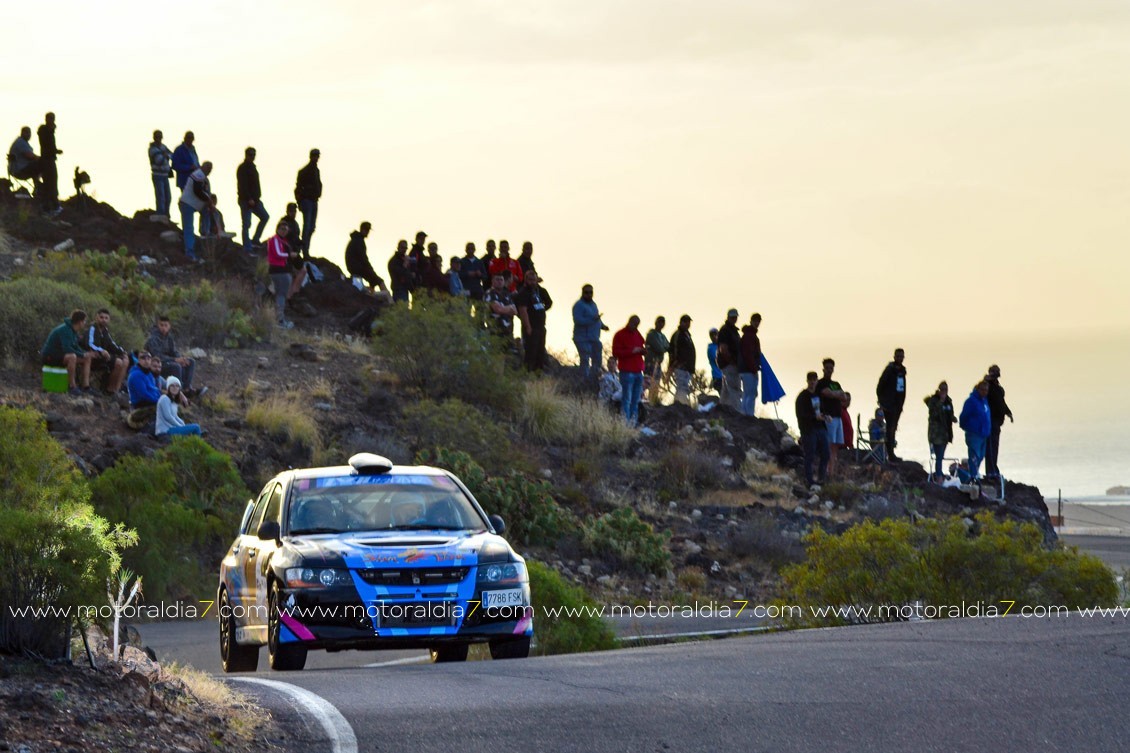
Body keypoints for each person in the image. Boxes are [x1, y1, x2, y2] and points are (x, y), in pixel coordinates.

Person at [41, 309, 92, 395]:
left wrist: (85, 354)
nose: (85, 323)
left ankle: (85, 386)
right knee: (72, 357)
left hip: (60, 356)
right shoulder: (65, 330)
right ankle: (72, 386)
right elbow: (67, 349)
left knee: (87, 358)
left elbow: (75, 346)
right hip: (49, 357)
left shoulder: (73, 331)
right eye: (84, 321)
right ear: (80, 322)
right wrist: (82, 354)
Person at [145, 315, 198, 393]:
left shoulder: (169, 338)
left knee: (191, 362)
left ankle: (187, 388)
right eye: (161, 325)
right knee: (176, 366)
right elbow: (157, 356)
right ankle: (178, 391)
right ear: (158, 325)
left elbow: (173, 351)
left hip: (169, 361)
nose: (163, 328)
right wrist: (175, 360)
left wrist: (182, 359)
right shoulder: (152, 339)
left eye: (166, 325)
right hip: (157, 364)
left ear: (169, 326)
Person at [795, 371, 829, 488]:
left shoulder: (818, 395)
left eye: (814, 380)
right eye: (811, 380)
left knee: (826, 454)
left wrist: (826, 416)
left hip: (821, 428)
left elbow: (822, 410)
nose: (813, 382)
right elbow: (801, 415)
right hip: (809, 430)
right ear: (807, 381)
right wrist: (814, 417)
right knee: (810, 455)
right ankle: (809, 480)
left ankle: (821, 478)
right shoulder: (802, 397)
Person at [816, 358, 848, 478]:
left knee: (835, 445)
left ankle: (832, 470)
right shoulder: (821, 383)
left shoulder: (835, 384)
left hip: (838, 417)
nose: (829, 370)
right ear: (823, 369)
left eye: (831, 368)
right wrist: (836, 394)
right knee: (828, 444)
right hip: (828, 417)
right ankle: (825, 470)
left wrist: (835, 394)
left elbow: (844, 397)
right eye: (827, 368)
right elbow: (826, 393)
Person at [612, 315, 646, 425]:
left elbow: (642, 344)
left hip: (638, 371)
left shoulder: (637, 334)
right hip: (626, 371)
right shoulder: (620, 334)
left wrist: (642, 351)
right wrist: (632, 351)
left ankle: (633, 422)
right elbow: (616, 353)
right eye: (634, 324)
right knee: (627, 398)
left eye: (637, 325)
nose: (635, 326)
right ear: (630, 322)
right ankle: (625, 423)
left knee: (636, 400)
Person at [514, 272, 553, 371]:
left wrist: (542, 309)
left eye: (534, 280)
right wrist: (528, 327)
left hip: (541, 326)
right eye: (530, 280)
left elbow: (549, 302)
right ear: (526, 280)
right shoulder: (523, 293)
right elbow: (522, 311)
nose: (532, 282)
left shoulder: (538, 291)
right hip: (531, 327)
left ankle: (538, 373)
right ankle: (528, 373)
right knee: (531, 353)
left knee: (540, 352)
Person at [87, 308, 129, 395]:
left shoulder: (105, 331)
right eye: (101, 317)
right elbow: (90, 344)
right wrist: (101, 350)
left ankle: (116, 390)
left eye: (106, 318)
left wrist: (122, 352)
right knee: (118, 362)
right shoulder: (92, 329)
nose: (104, 320)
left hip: (104, 357)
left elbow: (112, 344)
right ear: (96, 318)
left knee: (125, 360)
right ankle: (110, 390)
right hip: (94, 356)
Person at [876, 348, 907, 462]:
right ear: (894, 357)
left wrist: (901, 404)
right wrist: (882, 401)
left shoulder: (902, 371)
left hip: (898, 405)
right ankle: (890, 454)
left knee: (893, 428)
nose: (900, 358)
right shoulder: (889, 370)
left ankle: (891, 453)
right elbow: (880, 386)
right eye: (898, 356)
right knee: (890, 428)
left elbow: (902, 388)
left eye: (901, 356)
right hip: (889, 404)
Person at [177, 161, 212, 261]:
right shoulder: (198, 175)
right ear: (203, 167)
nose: (209, 170)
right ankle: (189, 252)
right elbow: (198, 191)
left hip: (195, 204)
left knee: (206, 213)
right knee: (189, 228)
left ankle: (205, 233)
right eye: (208, 168)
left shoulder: (204, 178)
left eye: (210, 169)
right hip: (187, 203)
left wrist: (209, 202)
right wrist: (208, 199)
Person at [237, 147, 269, 253]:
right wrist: (249, 198)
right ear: (246, 155)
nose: (252, 156)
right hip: (246, 200)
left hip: (255, 200)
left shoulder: (253, 167)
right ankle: (247, 246)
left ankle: (255, 239)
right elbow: (243, 185)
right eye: (250, 154)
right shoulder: (242, 168)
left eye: (254, 154)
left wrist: (256, 197)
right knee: (246, 224)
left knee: (265, 216)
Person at [571, 283, 607, 380]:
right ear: (583, 293)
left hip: (594, 338)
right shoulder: (578, 305)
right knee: (585, 360)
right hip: (582, 338)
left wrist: (602, 325)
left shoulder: (593, 304)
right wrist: (593, 321)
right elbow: (578, 320)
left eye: (591, 292)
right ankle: (584, 381)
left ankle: (594, 379)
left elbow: (596, 317)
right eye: (586, 292)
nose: (589, 294)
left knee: (597, 360)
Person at [984, 364, 1014, 480]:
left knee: (994, 446)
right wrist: (987, 380)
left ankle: (993, 470)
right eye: (994, 373)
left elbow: (1001, 402)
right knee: (990, 446)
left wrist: (1008, 412)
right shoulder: (987, 386)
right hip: (990, 420)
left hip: (997, 421)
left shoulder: (998, 387)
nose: (995, 375)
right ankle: (991, 471)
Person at [265, 221, 296, 328]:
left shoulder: (283, 241)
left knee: (280, 294)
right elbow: (278, 253)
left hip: (281, 270)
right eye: (282, 229)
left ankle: (278, 318)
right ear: (277, 229)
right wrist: (289, 255)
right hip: (279, 270)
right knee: (281, 295)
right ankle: (280, 320)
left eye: (286, 229)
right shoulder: (275, 240)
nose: (284, 231)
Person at [959, 381, 992, 481]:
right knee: (974, 456)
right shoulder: (971, 401)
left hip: (984, 434)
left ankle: (974, 474)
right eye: (983, 390)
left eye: (986, 390)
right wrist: (966, 427)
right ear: (978, 389)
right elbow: (963, 416)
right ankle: (972, 477)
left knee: (981, 456)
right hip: (974, 433)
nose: (985, 392)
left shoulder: (985, 401)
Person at [925, 381, 956, 481]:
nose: (944, 391)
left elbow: (949, 414)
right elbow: (933, 414)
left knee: (941, 456)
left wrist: (953, 418)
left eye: (945, 389)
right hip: (935, 433)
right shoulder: (934, 401)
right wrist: (940, 401)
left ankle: (939, 472)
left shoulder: (948, 401)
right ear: (938, 390)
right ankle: (938, 475)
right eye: (942, 389)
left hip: (945, 433)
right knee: (938, 455)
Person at [345, 222, 387, 294]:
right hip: (357, 268)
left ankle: (372, 295)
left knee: (372, 280)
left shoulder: (355, 239)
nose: (367, 232)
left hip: (354, 268)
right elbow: (363, 258)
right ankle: (390, 302)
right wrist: (371, 270)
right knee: (379, 281)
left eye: (368, 230)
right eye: (366, 230)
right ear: (362, 229)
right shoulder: (359, 241)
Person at [294, 148, 321, 256]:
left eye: (317, 156)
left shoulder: (316, 171)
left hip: (314, 201)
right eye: (315, 155)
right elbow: (298, 188)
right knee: (307, 226)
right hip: (307, 201)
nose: (316, 158)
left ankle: (305, 248)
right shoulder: (304, 171)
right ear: (311, 156)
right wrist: (300, 201)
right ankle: (304, 250)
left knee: (311, 226)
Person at [126, 351, 162, 429]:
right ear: (138, 360)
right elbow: (143, 395)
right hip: (140, 406)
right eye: (143, 358)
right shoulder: (136, 375)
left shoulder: (149, 374)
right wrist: (159, 401)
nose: (146, 360)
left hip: (151, 402)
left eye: (148, 358)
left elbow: (155, 390)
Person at [716, 308, 743, 410]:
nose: (734, 319)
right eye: (732, 317)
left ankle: (722, 410)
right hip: (729, 364)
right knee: (735, 389)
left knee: (726, 391)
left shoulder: (733, 331)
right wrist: (732, 361)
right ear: (728, 317)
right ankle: (737, 411)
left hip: (730, 364)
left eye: (735, 317)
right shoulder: (725, 330)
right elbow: (723, 349)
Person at [36, 113, 63, 214]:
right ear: (46, 119)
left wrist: (56, 151)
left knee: (51, 181)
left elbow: (50, 146)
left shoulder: (47, 131)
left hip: (49, 159)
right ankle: (52, 206)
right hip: (47, 160)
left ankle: (50, 205)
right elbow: (47, 145)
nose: (52, 120)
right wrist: (55, 151)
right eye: (50, 118)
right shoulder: (44, 129)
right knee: (50, 182)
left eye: (53, 118)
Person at [668, 314, 696, 406]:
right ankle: (680, 405)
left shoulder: (687, 335)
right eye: (686, 322)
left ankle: (682, 404)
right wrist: (674, 363)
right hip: (680, 366)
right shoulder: (678, 334)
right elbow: (673, 350)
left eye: (689, 322)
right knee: (681, 386)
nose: (688, 324)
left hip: (688, 367)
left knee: (685, 387)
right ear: (681, 322)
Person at [738, 313, 762, 416]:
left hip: (745, 369)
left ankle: (744, 413)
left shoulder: (749, 335)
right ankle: (748, 415)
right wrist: (754, 368)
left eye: (758, 321)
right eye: (755, 320)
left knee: (746, 393)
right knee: (751, 394)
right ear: (751, 321)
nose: (757, 323)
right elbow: (748, 354)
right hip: (748, 370)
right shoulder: (749, 336)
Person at [483, 273, 518, 340]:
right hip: (495, 330)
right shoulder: (490, 293)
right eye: (497, 280)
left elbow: (515, 311)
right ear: (492, 281)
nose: (499, 282)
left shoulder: (506, 294)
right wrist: (508, 308)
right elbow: (498, 309)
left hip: (508, 330)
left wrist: (503, 309)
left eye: (501, 280)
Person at [148, 130, 174, 217]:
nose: (159, 138)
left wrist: (165, 155)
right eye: (157, 136)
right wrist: (165, 156)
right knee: (160, 195)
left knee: (168, 196)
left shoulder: (163, 147)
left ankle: (166, 213)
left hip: (165, 175)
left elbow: (171, 155)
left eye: (160, 136)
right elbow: (158, 160)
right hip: (157, 175)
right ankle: (160, 213)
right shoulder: (152, 149)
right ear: (154, 137)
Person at [644, 316, 669, 403]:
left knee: (656, 384)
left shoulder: (662, 336)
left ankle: (652, 401)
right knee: (647, 383)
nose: (661, 324)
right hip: (650, 362)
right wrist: (663, 347)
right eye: (660, 322)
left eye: (663, 322)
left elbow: (668, 346)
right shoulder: (651, 334)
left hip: (658, 363)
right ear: (656, 322)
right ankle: (644, 400)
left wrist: (663, 347)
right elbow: (660, 348)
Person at [706, 328, 723, 394]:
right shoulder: (711, 348)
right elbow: (717, 359)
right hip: (718, 376)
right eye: (712, 335)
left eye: (715, 334)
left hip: (724, 376)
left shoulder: (720, 346)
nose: (714, 336)